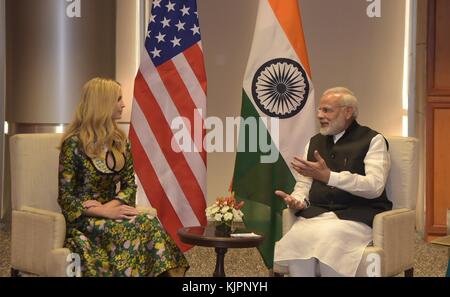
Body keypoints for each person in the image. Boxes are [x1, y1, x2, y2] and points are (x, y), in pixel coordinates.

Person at [58, 77, 189, 277]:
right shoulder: (74, 144)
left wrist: (113, 205)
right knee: (138, 229)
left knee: (150, 223)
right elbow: (65, 197)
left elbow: (129, 185)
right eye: (118, 99)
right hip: (86, 220)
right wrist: (101, 211)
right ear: (102, 104)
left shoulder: (120, 142)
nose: (123, 104)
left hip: (114, 210)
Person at [273, 87, 392, 277]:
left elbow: (374, 186)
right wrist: (298, 200)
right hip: (318, 215)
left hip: (356, 216)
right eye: (319, 110)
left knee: (330, 238)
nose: (320, 115)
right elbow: (304, 184)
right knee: (298, 238)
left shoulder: (373, 140)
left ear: (348, 112)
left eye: (327, 110)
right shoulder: (314, 142)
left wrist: (330, 177)